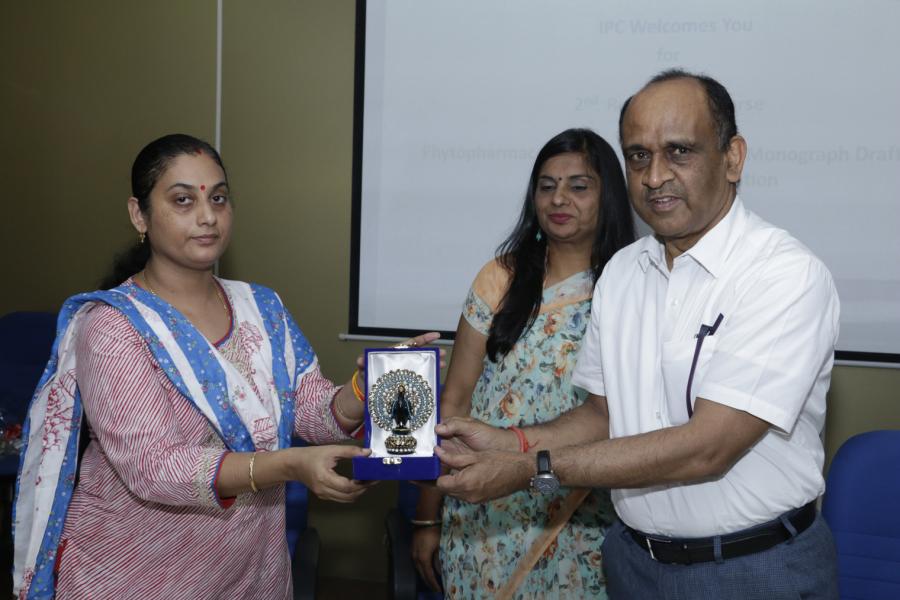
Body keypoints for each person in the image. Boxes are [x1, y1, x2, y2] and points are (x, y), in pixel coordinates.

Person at [434, 70, 841, 599]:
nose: (655, 176)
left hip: (750, 568)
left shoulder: (783, 275)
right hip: (632, 563)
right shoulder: (624, 272)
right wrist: (509, 442)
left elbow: (707, 448)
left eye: (680, 151)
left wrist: (528, 467)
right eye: (639, 156)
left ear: (733, 158)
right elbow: (602, 415)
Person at [13, 134, 439, 599]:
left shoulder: (262, 307)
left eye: (218, 198)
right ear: (139, 214)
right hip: (138, 573)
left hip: (252, 569)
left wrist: (367, 388)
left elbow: (309, 409)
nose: (207, 216)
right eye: (183, 200)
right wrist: (290, 464)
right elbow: (155, 466)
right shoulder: (114, 326)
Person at [412, 128, 635, 599]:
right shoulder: (501, 278)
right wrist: (428, 517)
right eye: (546, 185)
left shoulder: (632, 286)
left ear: (609, 196)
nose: (559, 198)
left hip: (582, 509)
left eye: (579, 186)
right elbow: (455, 401)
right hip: (483, 509)